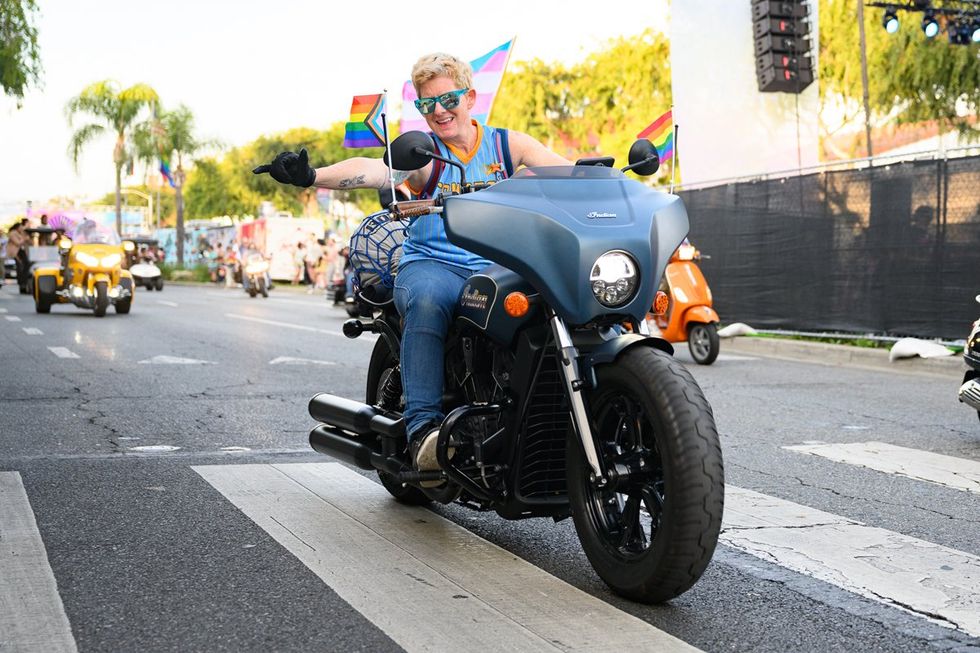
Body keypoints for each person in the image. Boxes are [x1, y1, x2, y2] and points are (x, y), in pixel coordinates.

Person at [253, 51, 569, 475]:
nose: (438, 111)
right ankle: (424, 432)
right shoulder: (425, 154)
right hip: (434, 264)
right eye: (426, 104)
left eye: (448, 99)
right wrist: (312, 176)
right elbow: (376, 171)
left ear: (470, 97)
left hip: (497, 268)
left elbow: (569, 173)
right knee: (427, 300)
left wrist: (616, 181)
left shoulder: (506, 145)